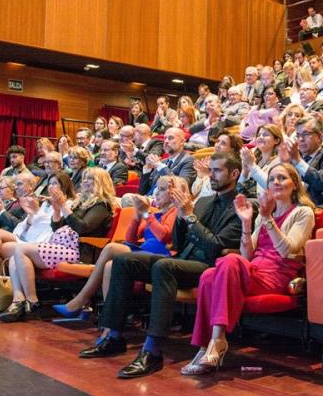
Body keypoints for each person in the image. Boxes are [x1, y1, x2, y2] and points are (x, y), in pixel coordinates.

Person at [78, 152, 242, 379]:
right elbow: (179, 241)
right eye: (210, 170)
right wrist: (182, 216)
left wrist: (190, 217)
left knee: (164, 266)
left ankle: (152, 351)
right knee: (123, 260)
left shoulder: (240, 207)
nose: (211, 175)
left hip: (208, 267)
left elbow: (215, 249)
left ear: (234, 174)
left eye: (217, 170)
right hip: (184, 259)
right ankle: (113, 336)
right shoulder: (203, 201)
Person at [181, 164, 315, 375]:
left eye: (282, 178)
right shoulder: (263, 215)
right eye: (272, 179)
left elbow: (286, 250)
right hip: (253, 272)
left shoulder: (303, 213)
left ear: (295, 184)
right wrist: (246, 223)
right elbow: (246, 256)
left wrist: (269, 219)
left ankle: (217, 342)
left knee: (228, 262)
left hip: (277, 276)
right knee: (208, 275)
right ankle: (204, 347)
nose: (276, 182)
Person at [53, 176, 183, 317]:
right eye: (157, 188)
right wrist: (137, 216)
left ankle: (81, 300)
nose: (156, 193)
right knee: (109, 265)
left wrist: (146, 214)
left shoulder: (176, 212)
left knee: (111, 248)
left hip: (162, 256)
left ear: (176, 193)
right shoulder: (155, 214)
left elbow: (163, 236)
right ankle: (110, 319)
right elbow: (131, 240)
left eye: (162, 189)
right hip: (143, 253)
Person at [0, 171, 81, 322]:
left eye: (55, 183)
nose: (51, 187)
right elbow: (51, 225)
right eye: (49, 183)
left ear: (65, 185)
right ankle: (18, 300)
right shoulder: (48, 203)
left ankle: (32, 300)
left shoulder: (71, 202)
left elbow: (63, 227)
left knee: (17, 249)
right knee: (15, 254)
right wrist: (34, 213)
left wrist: (39, 211)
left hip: (61, 244)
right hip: (45, 242)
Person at [281, 116, 323, 207]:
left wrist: (298, 161)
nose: (301, 139)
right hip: (289, 202)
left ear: (320, 137)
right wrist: (283, 163)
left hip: (312, 205)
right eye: (298, 135)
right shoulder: (295, 155)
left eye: (305, 134)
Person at [238, 124, 283, 198]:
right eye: (258, 135)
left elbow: (273, 187)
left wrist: (252, 165)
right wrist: (245, 171)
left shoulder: (280, 161)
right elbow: (239, 187)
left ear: (276, 140)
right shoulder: (254, 159)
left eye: (265, 135)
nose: (260, 137)